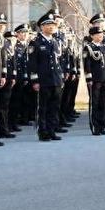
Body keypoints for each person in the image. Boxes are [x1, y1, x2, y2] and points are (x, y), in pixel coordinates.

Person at [27, 12, 65, 141]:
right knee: (42, 107)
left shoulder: (55, 42)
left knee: (54, 107)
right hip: (43, 80)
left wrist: (61, 78)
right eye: (48, 24)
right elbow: (32, 63)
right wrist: (35, 80)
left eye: (53, 24)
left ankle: (51, 130)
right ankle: (42, 132)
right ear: (41, 27)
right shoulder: (35, 42)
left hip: (55, 79)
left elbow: (58, 61)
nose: (52, 27)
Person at [83, 26, 105, 135]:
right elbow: (87, 64)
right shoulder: (89, 47)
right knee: (94, 103)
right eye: (97, 34)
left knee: (103, 103)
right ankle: (95, 127)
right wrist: (89, 78)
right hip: (95, 79)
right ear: (92, 36)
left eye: (101, 34)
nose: (100, 36)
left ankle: (102, 125)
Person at [0, 30, 16, 139]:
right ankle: (2, 129)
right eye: (10, 38)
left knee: (4, 105)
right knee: (0, 106)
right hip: (0, 77)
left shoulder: (8, 45)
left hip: (6, 77)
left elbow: (11, 62)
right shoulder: (2, 43)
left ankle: (4, 129)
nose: (12, 40)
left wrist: (13, 77)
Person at [0, 14, 8, 146]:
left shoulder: (1, 39)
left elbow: (3, 58)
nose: (2, 26)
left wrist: (3, 75)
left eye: (4, 24)